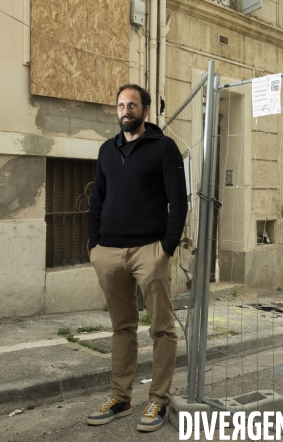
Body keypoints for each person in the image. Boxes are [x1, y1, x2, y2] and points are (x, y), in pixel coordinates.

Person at [86, 84, 188, 432]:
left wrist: (166, 251)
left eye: (132, 105)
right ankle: (121, 397)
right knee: (122, 327)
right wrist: (94, 247)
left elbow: (180, 202)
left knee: (161, 329)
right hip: (109, 253)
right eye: (120, 105)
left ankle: (158, 400)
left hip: (150, 251)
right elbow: (96, 200)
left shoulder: (164, 148)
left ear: (145, 109)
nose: (125, 111)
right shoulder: (107, 150)